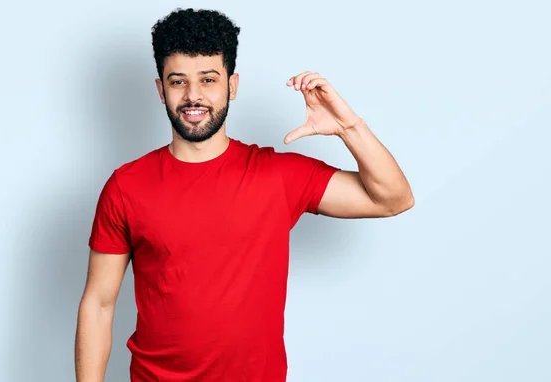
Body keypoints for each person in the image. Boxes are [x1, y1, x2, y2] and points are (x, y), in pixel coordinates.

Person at [75, 7, 414, 382]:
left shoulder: (278, 175)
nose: (193, 96)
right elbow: (99, 304)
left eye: (208, 80)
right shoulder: (126, 186)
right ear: (161, 90)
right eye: (177, 82)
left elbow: (393, 198)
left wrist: (349, 127)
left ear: (232, 86)